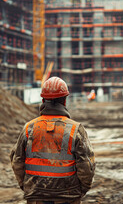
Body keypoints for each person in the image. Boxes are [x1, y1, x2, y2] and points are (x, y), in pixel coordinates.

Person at [10, 76, 95, 204]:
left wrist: (28, 188)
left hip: (36, 197)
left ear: (43, 99)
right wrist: (79, 191)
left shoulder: (29, 128)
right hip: (68, 197)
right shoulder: (75, 130)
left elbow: (17, 161)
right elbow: (86, 167)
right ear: (64, 101)